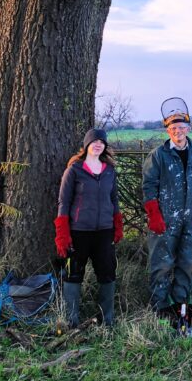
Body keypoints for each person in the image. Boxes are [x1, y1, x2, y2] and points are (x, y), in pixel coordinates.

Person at [142, 98, 192, 320]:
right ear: (168, 130)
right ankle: (161, 306)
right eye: (173, 128)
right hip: (165, 219)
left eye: (182, 127)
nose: (178, 131)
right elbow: (149, 185)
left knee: (189, 262)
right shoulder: (158, 155)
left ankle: (181, 302)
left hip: (190, 219)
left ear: (188, 128)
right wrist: (154, 214)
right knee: (161, 263)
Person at [54, 127, 123, 327]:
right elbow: (63, 203)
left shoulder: (109, 171)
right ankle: (71, 320)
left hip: (104, 231)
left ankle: (106, 319)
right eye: (94, 142)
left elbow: (114, 199)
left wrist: (117, 225)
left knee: (107, 272)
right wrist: (62, 234)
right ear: (86, 146)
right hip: (78, 231)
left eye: (101, 142)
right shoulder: (74, 170)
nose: (98, 145)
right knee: (74, 273)